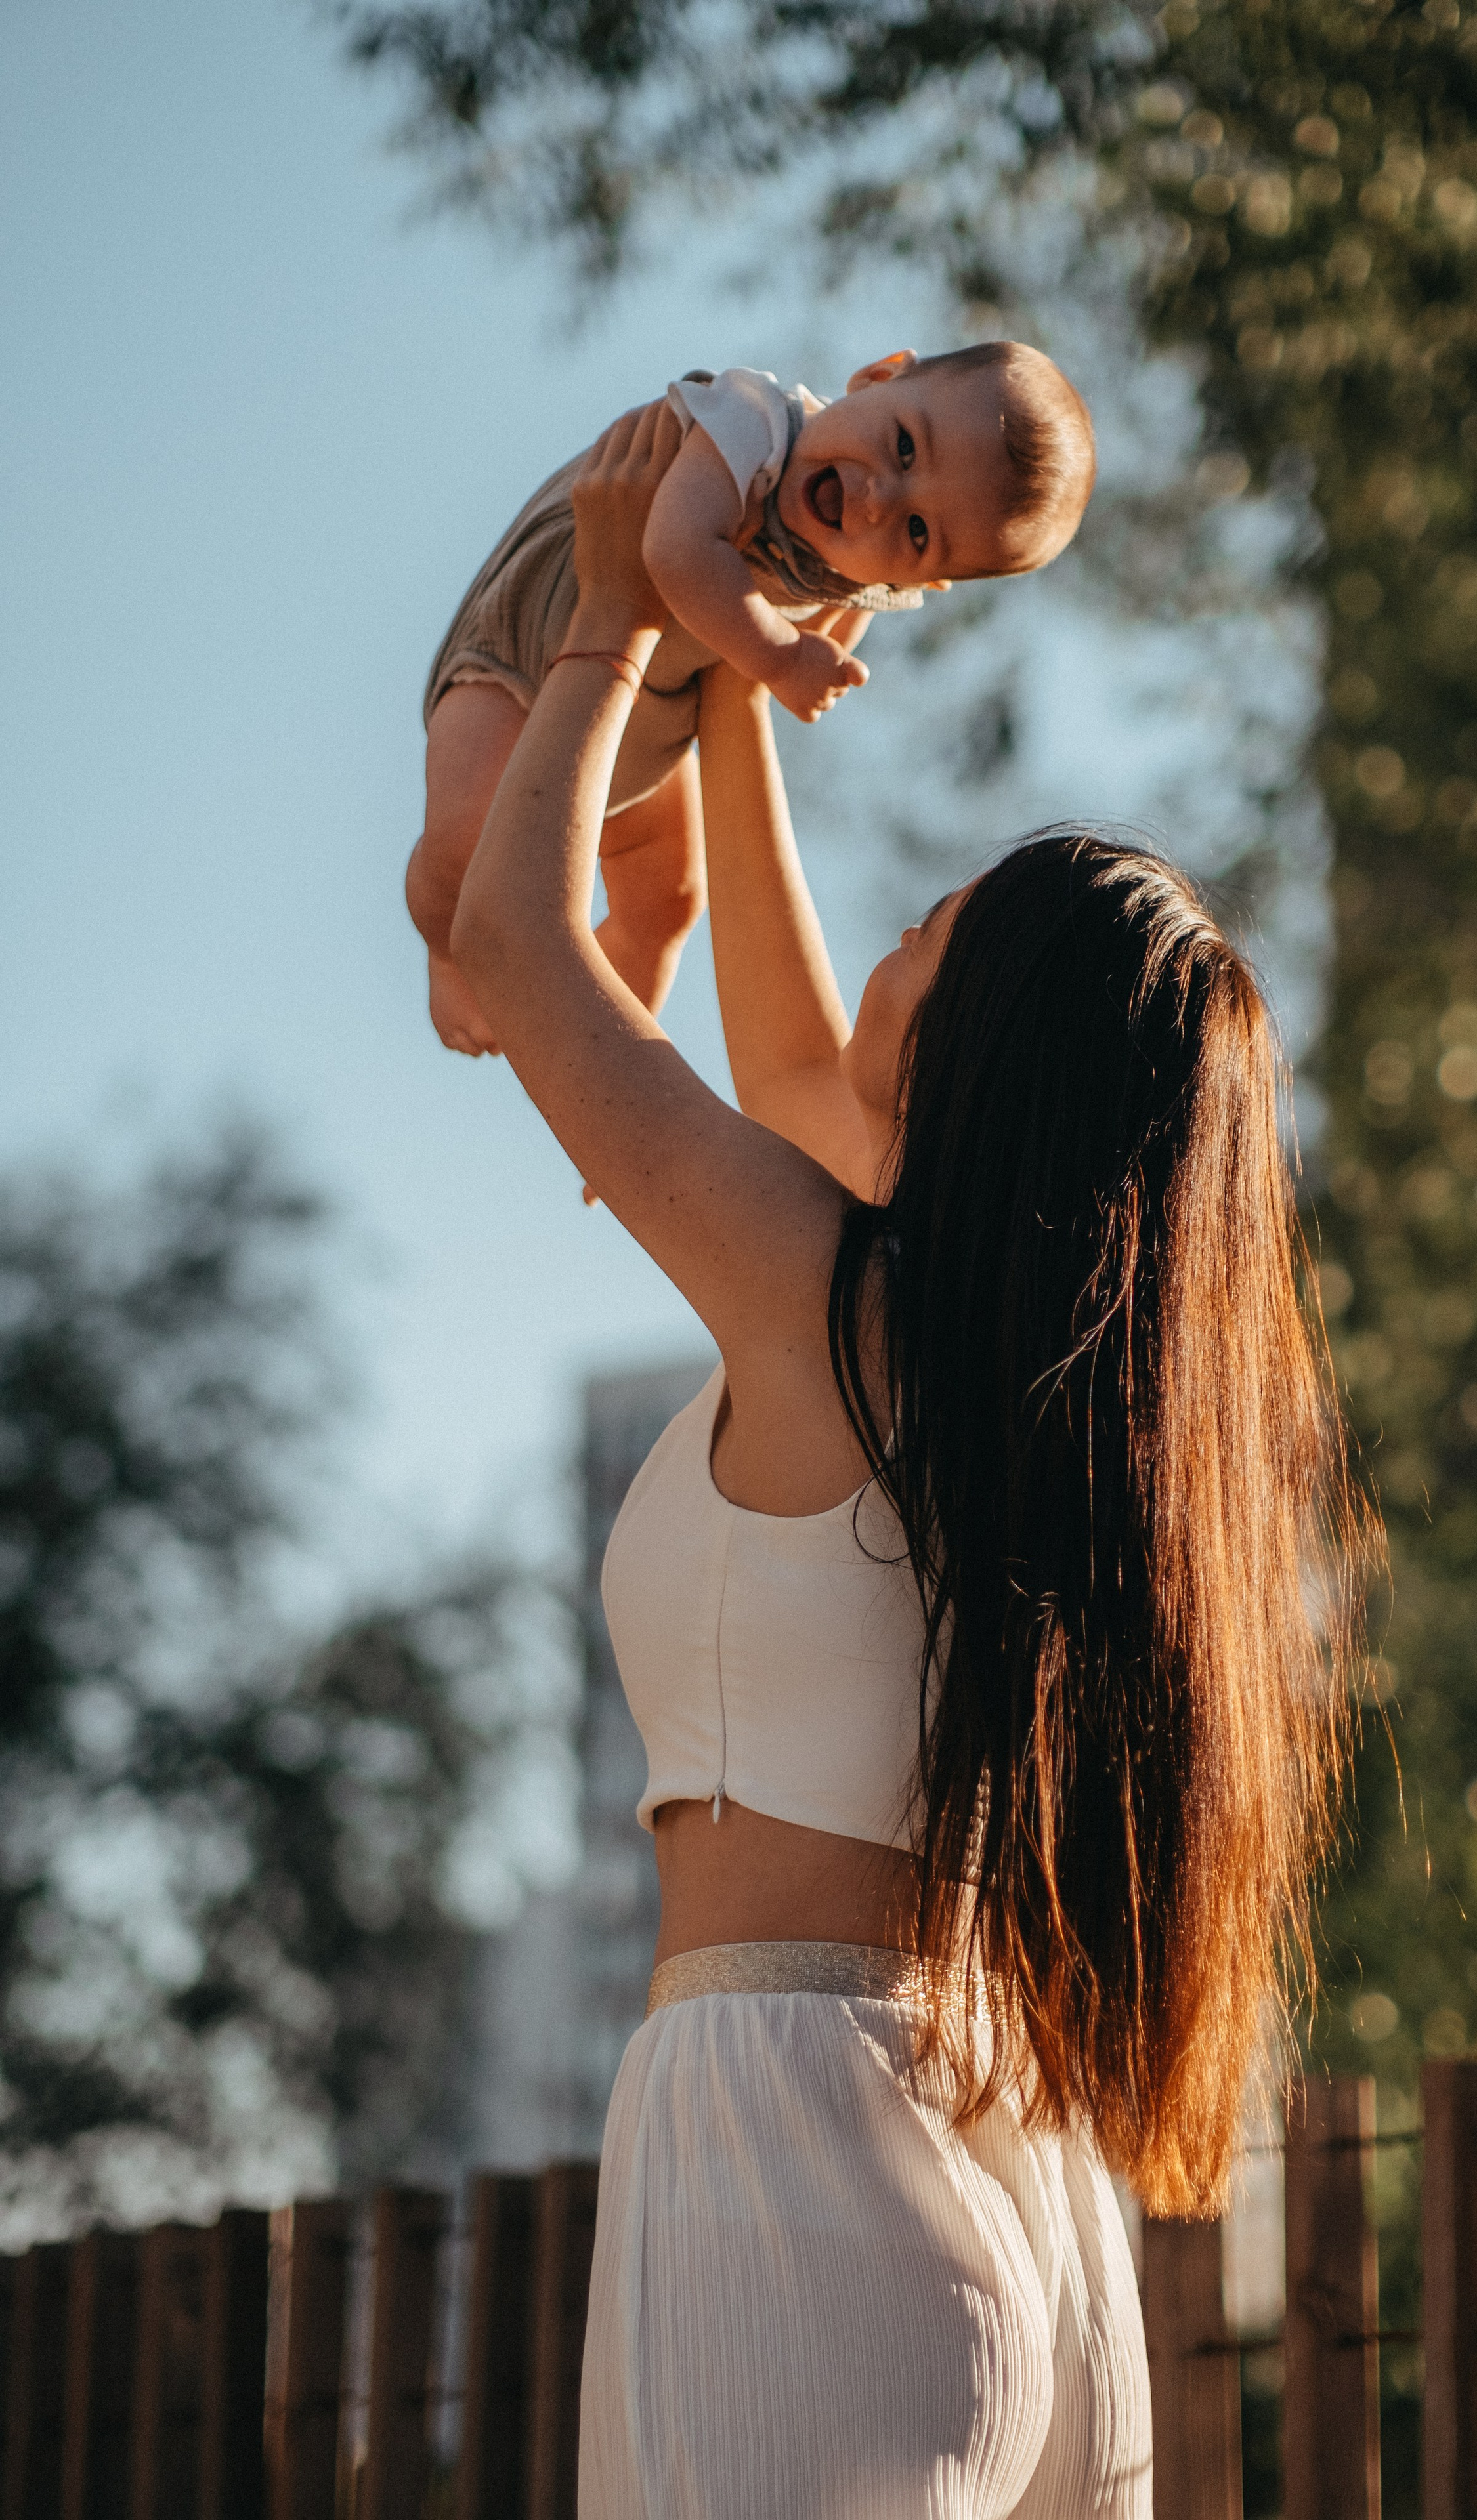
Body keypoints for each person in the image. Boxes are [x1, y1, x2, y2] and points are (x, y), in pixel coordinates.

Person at [450, 404, 1365, 2517]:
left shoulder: (830, 1304)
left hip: (795, 2150)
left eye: (929, 913)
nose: (889, 932)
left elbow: (517, 956)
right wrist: (733, 652)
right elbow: (789, 1068)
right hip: (997, 2162)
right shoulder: (1017, 1374)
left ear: (981, 1041)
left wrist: (603, 622)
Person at [409, 343, 1095, 1053]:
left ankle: (583, 1049)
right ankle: (448, 952)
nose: (876, 500)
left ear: (926, 580)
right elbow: (677, 549)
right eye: (903, 447)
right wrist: (783, 656)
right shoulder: (752, 423)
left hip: (639, 727)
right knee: (464, 852)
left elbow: (828, 632)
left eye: (917, 532)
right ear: (879, 376)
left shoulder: (865, 578)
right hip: (522, 656)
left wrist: (811, 660)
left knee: (668, 904)